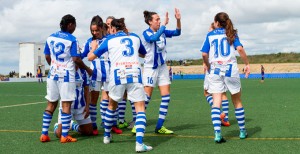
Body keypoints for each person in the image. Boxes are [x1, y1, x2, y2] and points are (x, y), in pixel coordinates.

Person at [87, 18, 153, 152]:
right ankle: (139, 144)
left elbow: (90, 57)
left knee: (111, 105)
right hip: (134, 72)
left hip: (117, 74)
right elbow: (144, 54)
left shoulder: (108, 40)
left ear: (113, 29)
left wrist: (94, 48)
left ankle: (106, 136)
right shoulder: (134, 37)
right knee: (140, 108)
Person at [40, 14, 92, 143]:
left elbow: (47, 56)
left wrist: (54, 67)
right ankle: (64, 136)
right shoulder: (72, 39)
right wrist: (87, 69)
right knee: (66, 104)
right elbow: (76, 59)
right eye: (74, 26)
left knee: (51, 103)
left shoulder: (51, 37)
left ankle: (44, 134)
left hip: (52, 75)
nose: (74, 28)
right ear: (70, 24)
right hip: (67, 75)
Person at [201, 12, 250, 143]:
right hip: (230, 70)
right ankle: (242, 131)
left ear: (216, 23)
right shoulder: (232, 33)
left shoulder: (210, 35)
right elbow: (239, 49)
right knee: (237, 101)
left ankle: (217, 134)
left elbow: (204, 54)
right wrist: (247, 64)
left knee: (216, 102)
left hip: (215, 70)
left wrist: (207, 65)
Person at [141, 8, 181, 134]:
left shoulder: (162, 31)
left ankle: (159, 126)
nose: (159, 21)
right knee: (146, 98)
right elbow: (153, 38)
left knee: (166, 97)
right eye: (157, 19)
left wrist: (178, 20)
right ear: (149, 22)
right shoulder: (146, 33)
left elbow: (177, 32)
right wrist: (164, 25)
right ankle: (138, 123)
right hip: (149, 68)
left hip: (162, 67)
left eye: (159, 19)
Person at [81, 15, 122, 135]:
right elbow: (82, 55)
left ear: (102, 28)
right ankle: (93, 126)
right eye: (92, 30)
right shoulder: (90, 42)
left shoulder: (110, 39)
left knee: (111, 99)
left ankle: (110, 124)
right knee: (93, 100)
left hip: (109, 73)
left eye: (97, 30)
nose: (95, 32)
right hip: (94, 74)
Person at [53, 66, 93, 137]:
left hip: (81, 107)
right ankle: (57, 126)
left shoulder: (83, 71)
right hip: (67, 107)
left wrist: (87, 107)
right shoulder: (64, 71)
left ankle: (73, 125)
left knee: (88, 131)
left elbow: (87, 90)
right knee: (59, 134)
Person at [203, 22, 230, 127]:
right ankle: (226, 118)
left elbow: (205, 53)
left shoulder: (210, 36)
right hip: (225, 66)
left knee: (207, 93)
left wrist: (205, 64)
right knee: (223, 93)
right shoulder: (224, 35)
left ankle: (220, 114)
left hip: (212, 67)